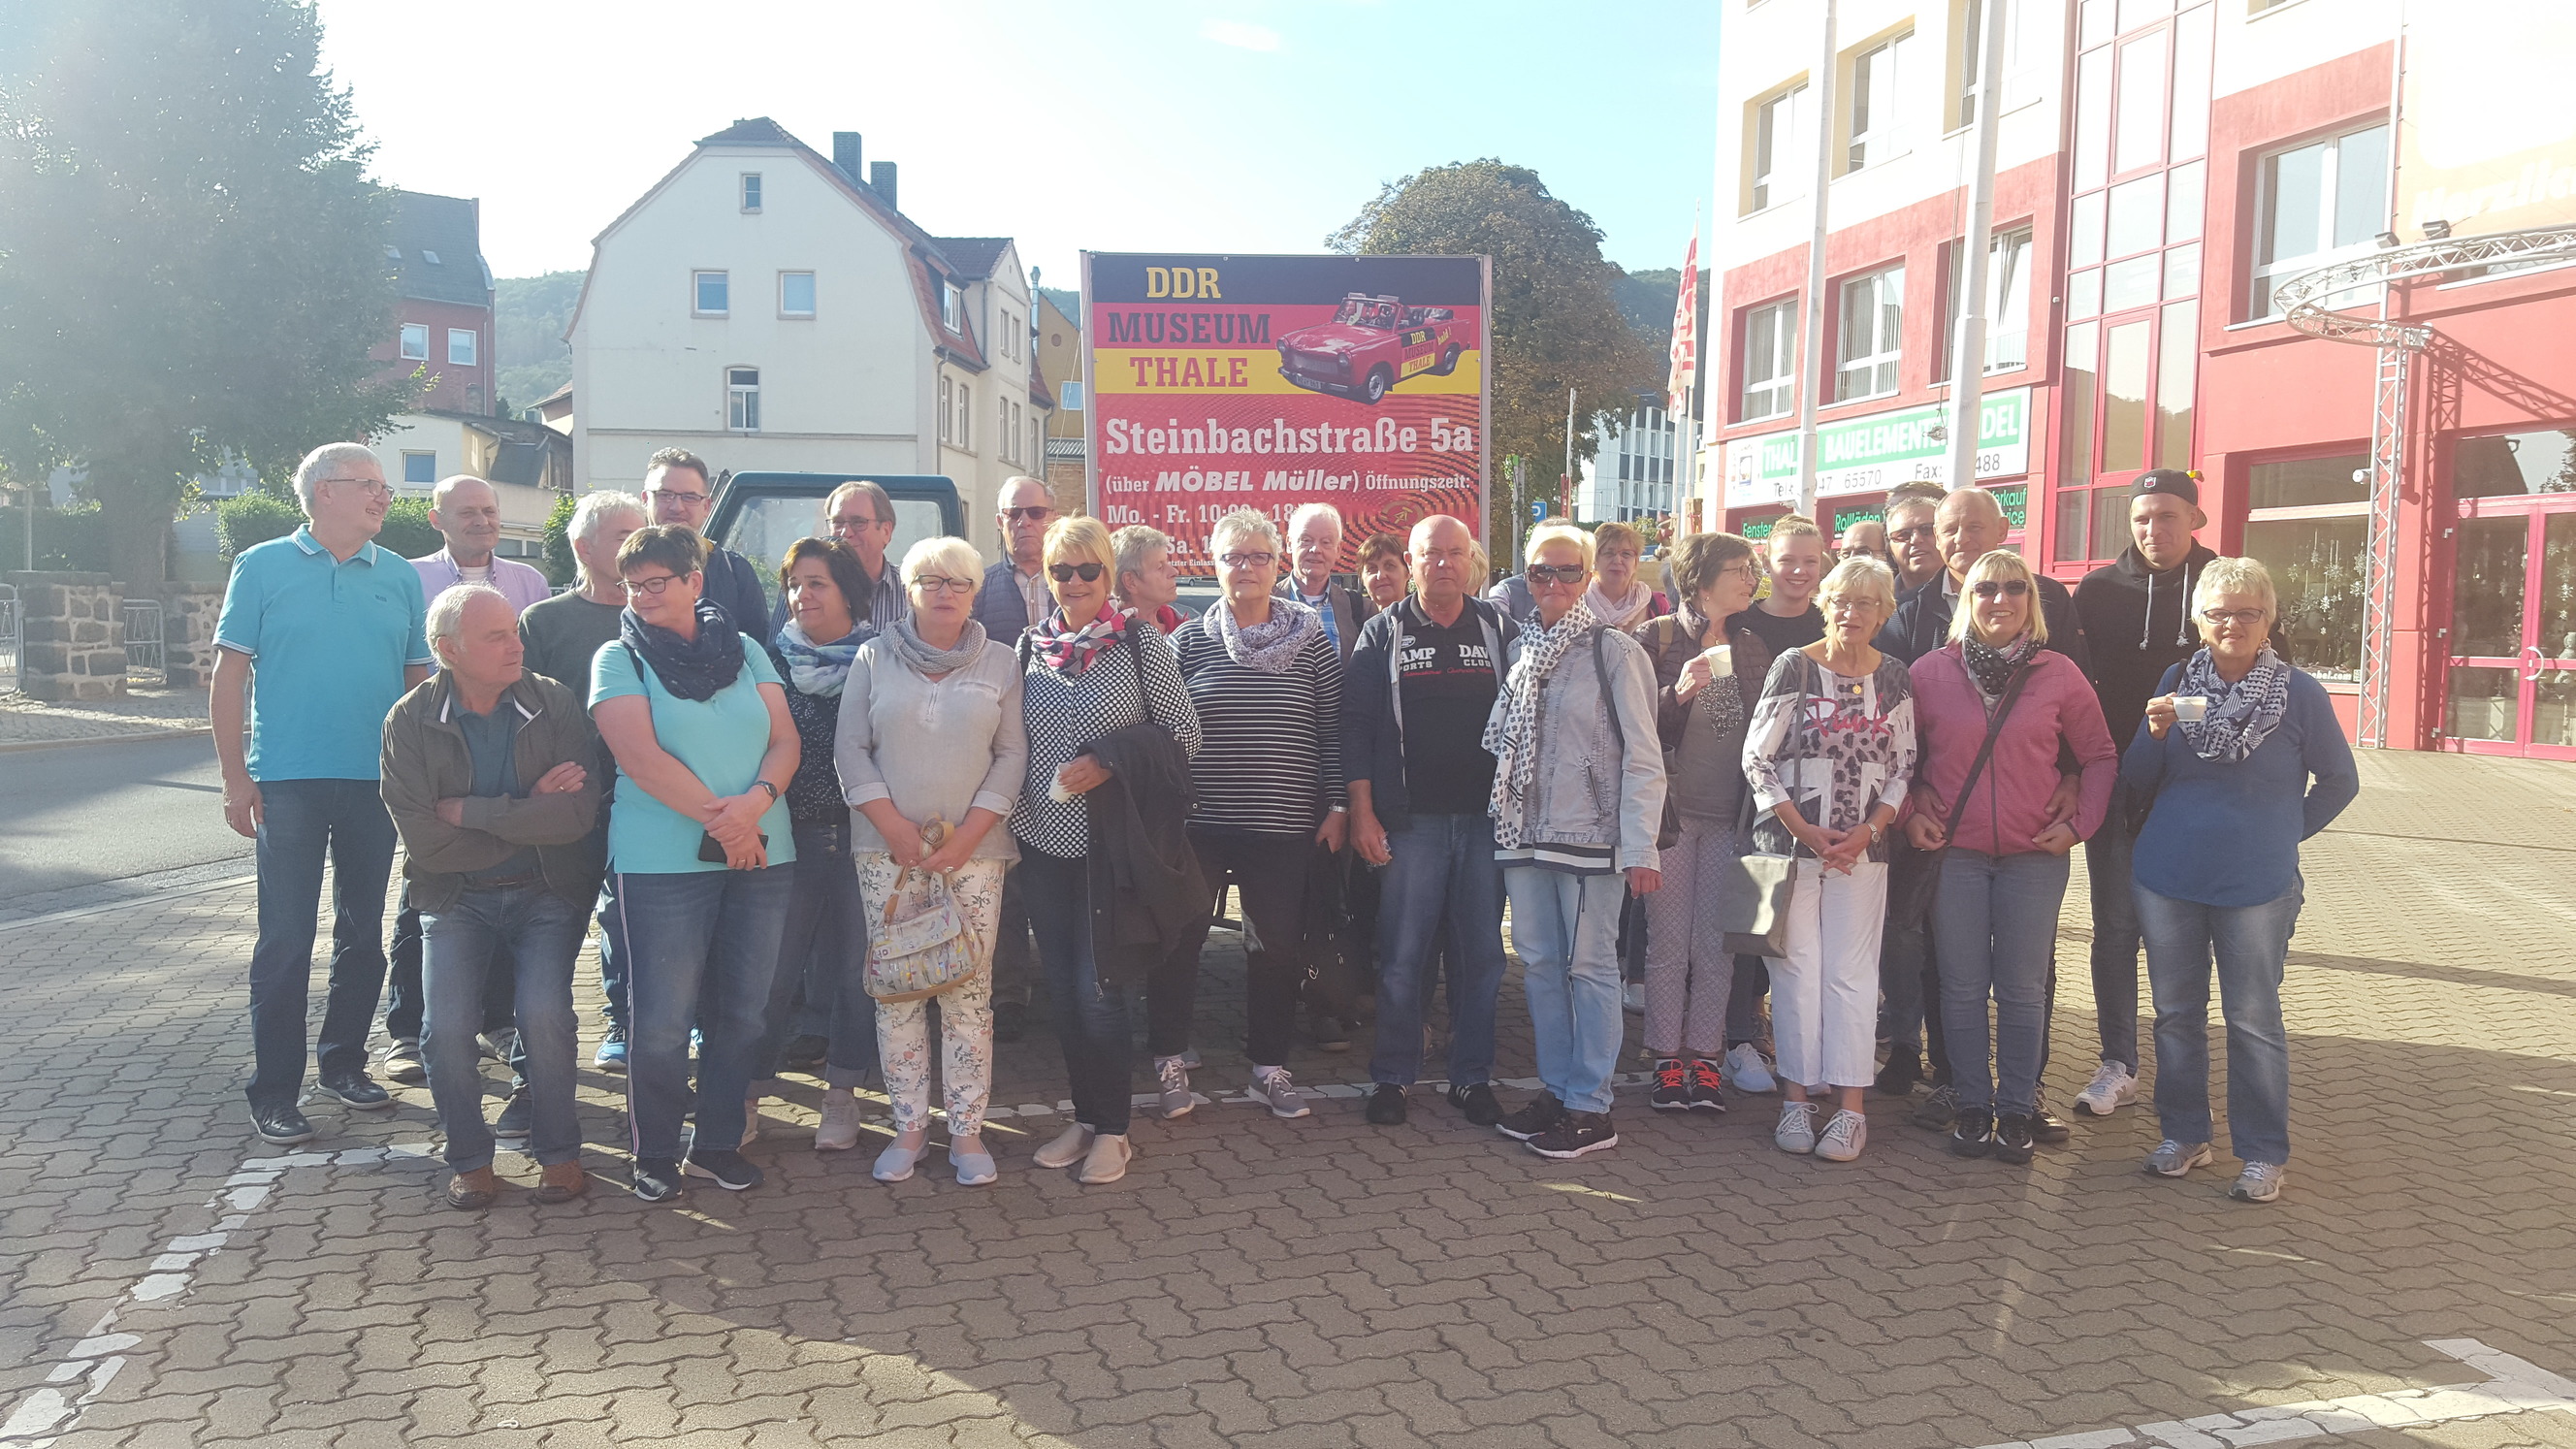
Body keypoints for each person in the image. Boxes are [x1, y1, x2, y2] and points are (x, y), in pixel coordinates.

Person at [213, 442, 433, 1145]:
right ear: (323, 493)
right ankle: (274, 1091)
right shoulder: (260, 565)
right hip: (287, 781)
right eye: (367, 484)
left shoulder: (399, 575)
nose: (382, 497)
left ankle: (343, 1066)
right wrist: (235, 777)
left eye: (385, 487)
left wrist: (425, 774)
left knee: (363, 935)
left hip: (376, 782)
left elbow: (419, 683)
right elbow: (228, 677)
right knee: (285, 938)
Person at [2124, 557, 2357, 1205]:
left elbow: (2341, 781)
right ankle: (2185, 1136)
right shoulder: (2177, 680)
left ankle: (2261, 1153)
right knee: (2176, 1015)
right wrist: (2153, 732)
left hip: (2256, 883)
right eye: (2219, 613)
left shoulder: (2299, 693)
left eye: (2247, 613)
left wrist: (2285, 833)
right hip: (2168, 875)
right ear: (2199, 621)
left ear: (2269, 620)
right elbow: (2137, 777)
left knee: (2252, 1019)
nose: (2232, 624)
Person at [591, 525, 800, 1202]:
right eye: (633, 585)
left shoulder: (745, 650)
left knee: (743, 1012)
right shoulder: (617, 658)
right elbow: (641, 760)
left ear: (694, 583)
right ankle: (654, 1152)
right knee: (661, 1021)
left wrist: (755, 805)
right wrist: (729, 825)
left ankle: (715, 1146)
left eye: (658, 582)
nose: (644, 596)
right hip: (661, 864)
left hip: (764, 852)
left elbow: (785, 740)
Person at [380, 586, 603, 1208]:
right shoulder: (408, 721)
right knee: (445, 1032)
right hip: (455, 898)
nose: (517, 645)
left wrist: (473, 812)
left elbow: (576, 817)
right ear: (448, 650)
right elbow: (427, 844)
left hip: (545, 891)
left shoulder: (552, 701)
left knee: (545, 1017)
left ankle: (559, 1155)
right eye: (497, 636)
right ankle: (471, 1162)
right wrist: (530, 811)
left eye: (514, 631)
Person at [1875, 485, 2087, 1132]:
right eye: (1950, 529)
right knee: (1947, 964)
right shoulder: (1909, 615)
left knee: (2029, 975)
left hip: (2029, 831)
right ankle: (1956, 1084)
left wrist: (2073, 784)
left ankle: (2027, 1091)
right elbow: (1895, 731)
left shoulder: (2049, 602)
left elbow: (2078, 712)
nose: (1960, 539)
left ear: (2002, 531)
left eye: (1974, 527)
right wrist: (1913, 800)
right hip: (1948, 831)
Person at [1010, 516, 1203, 1186]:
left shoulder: (1140, 643)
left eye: (1087, 570)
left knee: (1100, 993)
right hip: (1042, 846)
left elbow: (1185, 735)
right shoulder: (1031, 648)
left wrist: (1108, 759)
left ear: (1108, 575)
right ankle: (1087, 1117)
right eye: (1061, 571)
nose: (1074, 582)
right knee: (1064, 995)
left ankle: (1115, 1132)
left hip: (1109, 852)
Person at [1907, 551, 2117, 1165]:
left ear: (2032, 600)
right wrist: (1915, 808)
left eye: (2015, 588)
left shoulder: (2059, 673)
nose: (2001, 599)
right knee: (1962, 987)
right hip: (1957, 854)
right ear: (1966, 600)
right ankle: (1974, 1104)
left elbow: (2099, 756)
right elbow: (1901, 759)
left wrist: (2079, 825)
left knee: (2023, 989)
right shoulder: (1928, 673)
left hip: (2034, 855)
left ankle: (2018, 1108)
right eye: (1986, 589)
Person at [836, 536, 1027, 1185]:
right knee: (899, 992)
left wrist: (969, 835)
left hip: (975, 855)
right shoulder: (873, 655)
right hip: (886, 853)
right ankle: (910, 1127)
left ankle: (967, 1132)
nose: (945, 592)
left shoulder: (1002, 661)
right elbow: (850, 748)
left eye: (959, 582)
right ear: (909, 589)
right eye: (931, 580)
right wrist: (893, 828)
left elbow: (1012, 753)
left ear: (975, 592)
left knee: (968, 994)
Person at [1482, 522, 1664, 1160]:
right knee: (1539, 967)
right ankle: (1558, 1091)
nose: (1553, 582)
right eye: (1541, 571)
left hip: (1590, 837)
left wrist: (1640, 847)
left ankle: (1592, 1104)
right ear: (1526, 578)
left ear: (1586, 577)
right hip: (1524, 833)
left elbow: (1644, 755)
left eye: (1566, 571)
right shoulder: (1522, 649)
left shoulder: (1615, 651)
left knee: (1590, 970)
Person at [381, 474, 557, 1088]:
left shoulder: (528, 582)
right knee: (426, 897)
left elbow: (532, 673)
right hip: (436, 752)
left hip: (508, 749)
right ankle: (408, 1029)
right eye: (467, 512)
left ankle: (499, 1022)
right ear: (437, 519)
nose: (482, 520)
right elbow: (407, 664)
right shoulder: (411, 577)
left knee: (510, 888)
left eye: (489, 510)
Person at [1170, 509, 1345, 1121]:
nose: (1245, 567)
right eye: (1233, 557)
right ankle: (1169, 1056)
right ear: (1213, 565)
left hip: (1283, 827)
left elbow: (1332, 730)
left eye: (1258, 557)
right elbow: (1165, 734)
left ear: (1277, 565)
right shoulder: (1187, 642)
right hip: (1201, 826)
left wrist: (1338, 806)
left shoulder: (1312, 641)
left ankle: (1269, 1067)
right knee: (1181, 939)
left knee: (1275, 950)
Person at [1347, 516, 1520, 1128]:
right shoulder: (1383, 631)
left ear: (1471, 561)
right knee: (1402, 956)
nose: (1443, 563)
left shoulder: (1500, 628)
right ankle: (1393, 1077)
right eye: (1431, 554)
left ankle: (1471, 1078)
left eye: (1454, 553)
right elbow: (1356, 728)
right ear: (1412, 562)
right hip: (1410, 822)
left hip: (1485, 822)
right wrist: (1362, 812)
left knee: (1482, 957)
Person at [1744, 556, 1914, 1163]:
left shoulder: (1894, 676)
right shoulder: (1794, 666)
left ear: (1883, 612)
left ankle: (1850, 1111)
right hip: (1790, 847)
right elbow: (1757, 758)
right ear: (1826, 604)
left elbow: (1903, 766)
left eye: (1865, 603)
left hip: (1863, 853)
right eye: (1842, 600)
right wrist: (1804, 829)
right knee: (1795, 970)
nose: (1851, 612)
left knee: (1852, 975)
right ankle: (1795, 1101)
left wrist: (1868, 831)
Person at [2070, 468, 2218, 1117]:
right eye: (2141, 518)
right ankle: (2118, 1063)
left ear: (2195, 520)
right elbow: (2073, 688)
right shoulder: (2098, 590)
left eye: (2167, 516)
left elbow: (2262, 681)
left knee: (2185, 933)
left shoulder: (2223, 584)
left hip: (2195, 792)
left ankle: (2183, 1066)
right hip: (2117, 787)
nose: (2153, 529)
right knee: (2114, 929)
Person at [752, 538, 882, 1147]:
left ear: (848, 592)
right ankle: (747, 1094)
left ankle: (842, 1095)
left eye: (817, 583)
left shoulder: (880, 661)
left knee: (858, 973)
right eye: (795, 583)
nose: (802, 595)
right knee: (771, 974)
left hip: (863, 837)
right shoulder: (766, 662)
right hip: (788, 839)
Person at [1633, 532, 1769, 1113]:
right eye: (1739, 569)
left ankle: (1706, 1058)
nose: (1750, 579)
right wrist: (1677, 694)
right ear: (1701, 581)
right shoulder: (1657, 637)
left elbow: (1764, 735)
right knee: (1669, 944)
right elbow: (1632, 726)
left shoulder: (1752, 646)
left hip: (1730, 819)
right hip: (1671, 818)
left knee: (1716, 947)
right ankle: (1667, 1058)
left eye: (1750, 569)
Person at [519, 491, 650, 1072]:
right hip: (568, 798)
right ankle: (535, 1067)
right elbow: (520, 711)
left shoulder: (660, 616)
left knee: (631, 918)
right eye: (623, 535)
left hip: (646, 795)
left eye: (640, 532)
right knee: (555, 925)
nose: (636, 544)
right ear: (583, 546)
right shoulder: (543, 621)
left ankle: (628, 1023)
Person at [974, 474, 1060, 1044]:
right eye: (1013, 514)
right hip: (996, 753)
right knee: (1002, 875)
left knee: (1055, 876)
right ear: (1000, 522)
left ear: (1052, 517)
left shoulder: (1076, 579)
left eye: (1035, 512)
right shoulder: (979, 588)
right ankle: (1007, 992)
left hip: (1062, 753)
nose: (1024, 523)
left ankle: (1065, 983)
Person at [643, 448, 768, 637]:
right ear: (645, 499)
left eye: (689, 497)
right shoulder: (619, 566)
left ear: (707, 507)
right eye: (665, 495)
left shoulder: (735, 572)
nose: (677, 507)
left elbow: (756, 644)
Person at [768, 479, 908, 635]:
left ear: (886, 531)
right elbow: (777, 647)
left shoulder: (910, 592)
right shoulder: (800, 587)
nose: (845, 533)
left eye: (858, 522)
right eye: (838, 523)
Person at [1280, 501, 1378, 665]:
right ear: (1289, 544)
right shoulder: (1264, 604)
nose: (1316, 549)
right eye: (1306, 540)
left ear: (1338, 549)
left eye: (1326, 542)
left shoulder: (1361, 609)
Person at [1583, 521, 1669, 632]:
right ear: (1595, 560)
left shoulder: (1656, 604)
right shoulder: (1579, 604)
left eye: (1626, 554)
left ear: (1636, 562)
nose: (1617, 560)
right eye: (1609, 553)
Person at [1112, 524, 1185, 633]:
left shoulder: (1186, 632)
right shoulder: (1107, 639)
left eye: (1167, 563)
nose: (1174, 572)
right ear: (1130, 581)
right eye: (1160, 567)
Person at [1884, 486, 1948, 594]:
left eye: (1926, 529)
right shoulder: (1877, 599)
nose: (1916, 540)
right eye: (1903, 534)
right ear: (1888, 545)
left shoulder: (1973, 594)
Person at [1356, 532, 1409, 611]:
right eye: (1372, 568)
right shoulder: (1350, 616)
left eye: (1390, 566)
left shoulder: (1425, 615)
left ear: (1408, 571)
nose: (1381, 576)